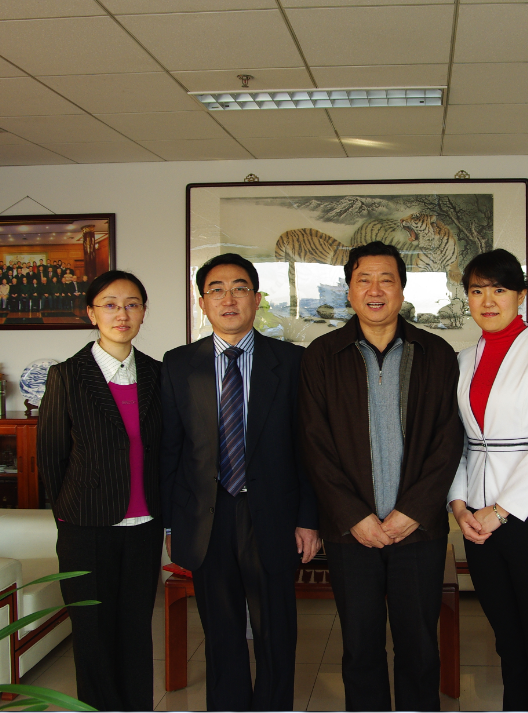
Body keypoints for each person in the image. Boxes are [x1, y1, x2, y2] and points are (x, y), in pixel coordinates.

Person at [299, 241, 463, 712]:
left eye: (386, 279)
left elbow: (448, 439)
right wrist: (354, 516)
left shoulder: (435, 353)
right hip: (352, 534)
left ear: (402, 290)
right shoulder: (322, 355)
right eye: (364, 280)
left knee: (419, 648)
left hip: (418, 531)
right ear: (349, 290)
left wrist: (414, 510)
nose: (375, 290)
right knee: (360, 648)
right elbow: (313, 443)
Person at [160, 253, 320, 711]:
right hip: (206, 516)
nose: (228, 299)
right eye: (216, 290)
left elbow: (309, 448)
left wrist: (309, 519)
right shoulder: (179, 363)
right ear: (202, 302)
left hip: (273, 513)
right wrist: (172, 523)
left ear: (256, 298)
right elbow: (171, 449)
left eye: (239, 288)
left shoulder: (292, 362)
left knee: (276, 630)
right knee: (220, 632)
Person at [447, 249, 528, 712]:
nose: (487, 300)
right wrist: (459, 504)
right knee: (508, 640)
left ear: (520, 296)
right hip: (478, 522)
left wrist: (500, 511)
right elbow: (459, 441)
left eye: (499, 289)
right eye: (477, 290)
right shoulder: (463, 360)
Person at [37, 270, 163, 712]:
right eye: (110, 304)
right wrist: (68, 514)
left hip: (144, 524)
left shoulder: (158, 374)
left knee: (136, 629)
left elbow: (167, 449)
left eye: (131, 304)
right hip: (86, 526)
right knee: (92, 633)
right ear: (91, 314)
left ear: (143, 313)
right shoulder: (67, 376)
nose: (121, 314)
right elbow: (51, 456)